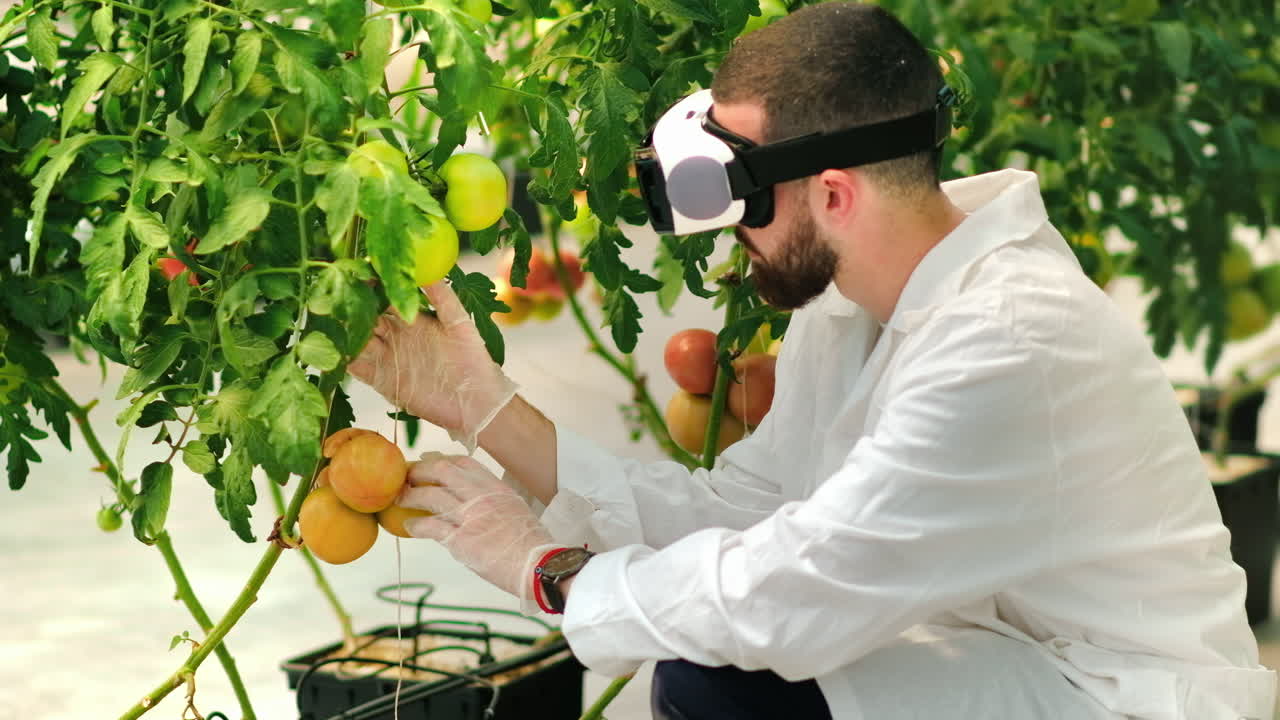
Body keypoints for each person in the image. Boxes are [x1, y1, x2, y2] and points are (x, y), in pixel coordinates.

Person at [348, 3, 1276, 718]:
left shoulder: (1006, 344)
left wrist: (548, 571)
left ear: (832, 193)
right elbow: (751, 513)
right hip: (1007, 663)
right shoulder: (855, 308)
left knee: (717, 676)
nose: (732, 239)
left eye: (744, 201)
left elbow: (794, 590)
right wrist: (480, 403)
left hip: (1120, 696)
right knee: (712, 675)